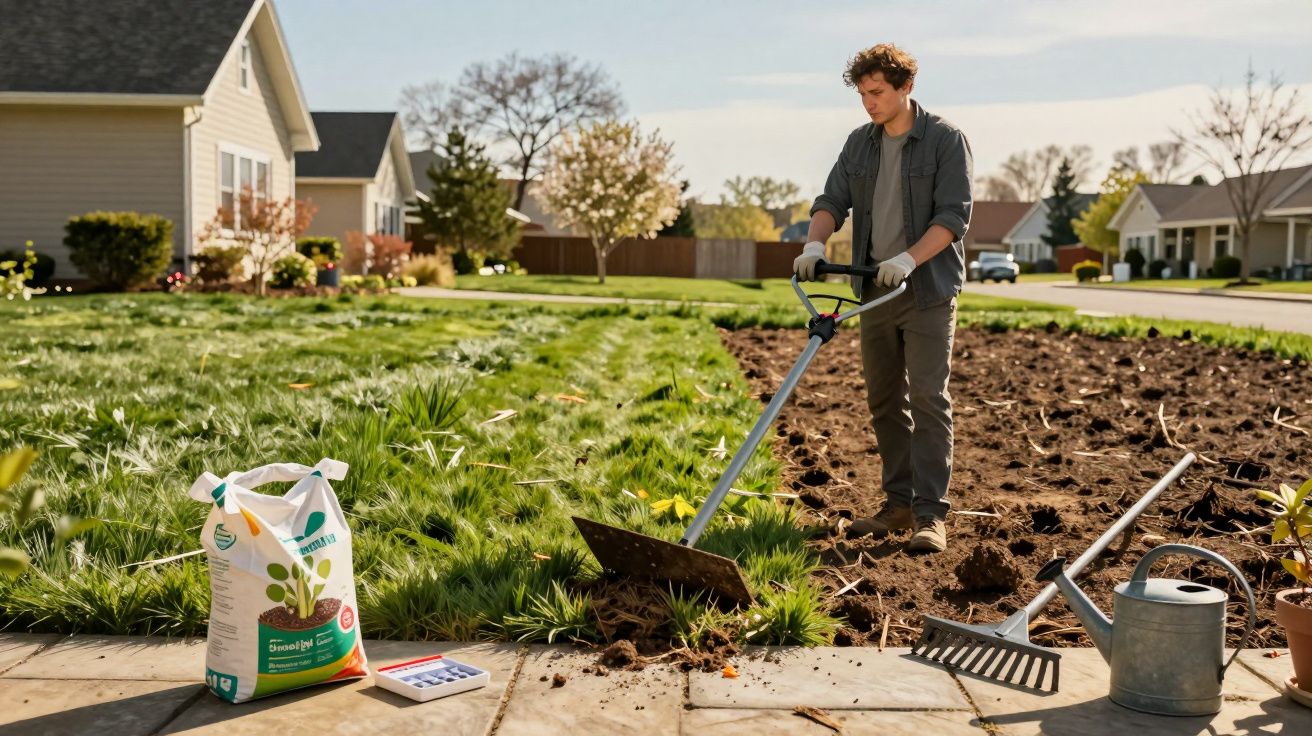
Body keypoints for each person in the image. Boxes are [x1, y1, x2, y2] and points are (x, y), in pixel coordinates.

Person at [793, 43, 972, 553]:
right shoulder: (860, 145)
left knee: (929, 399)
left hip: (927, 291)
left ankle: (930, 515)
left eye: (877, 93)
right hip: (874, 292)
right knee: (884, 400)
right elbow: (831, 200)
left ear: (905, 87)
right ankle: (897, 505)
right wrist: (814, 242)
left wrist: (909, 259)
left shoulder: (944, 140)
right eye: (863, 94)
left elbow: (953, 219)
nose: (869, 103)